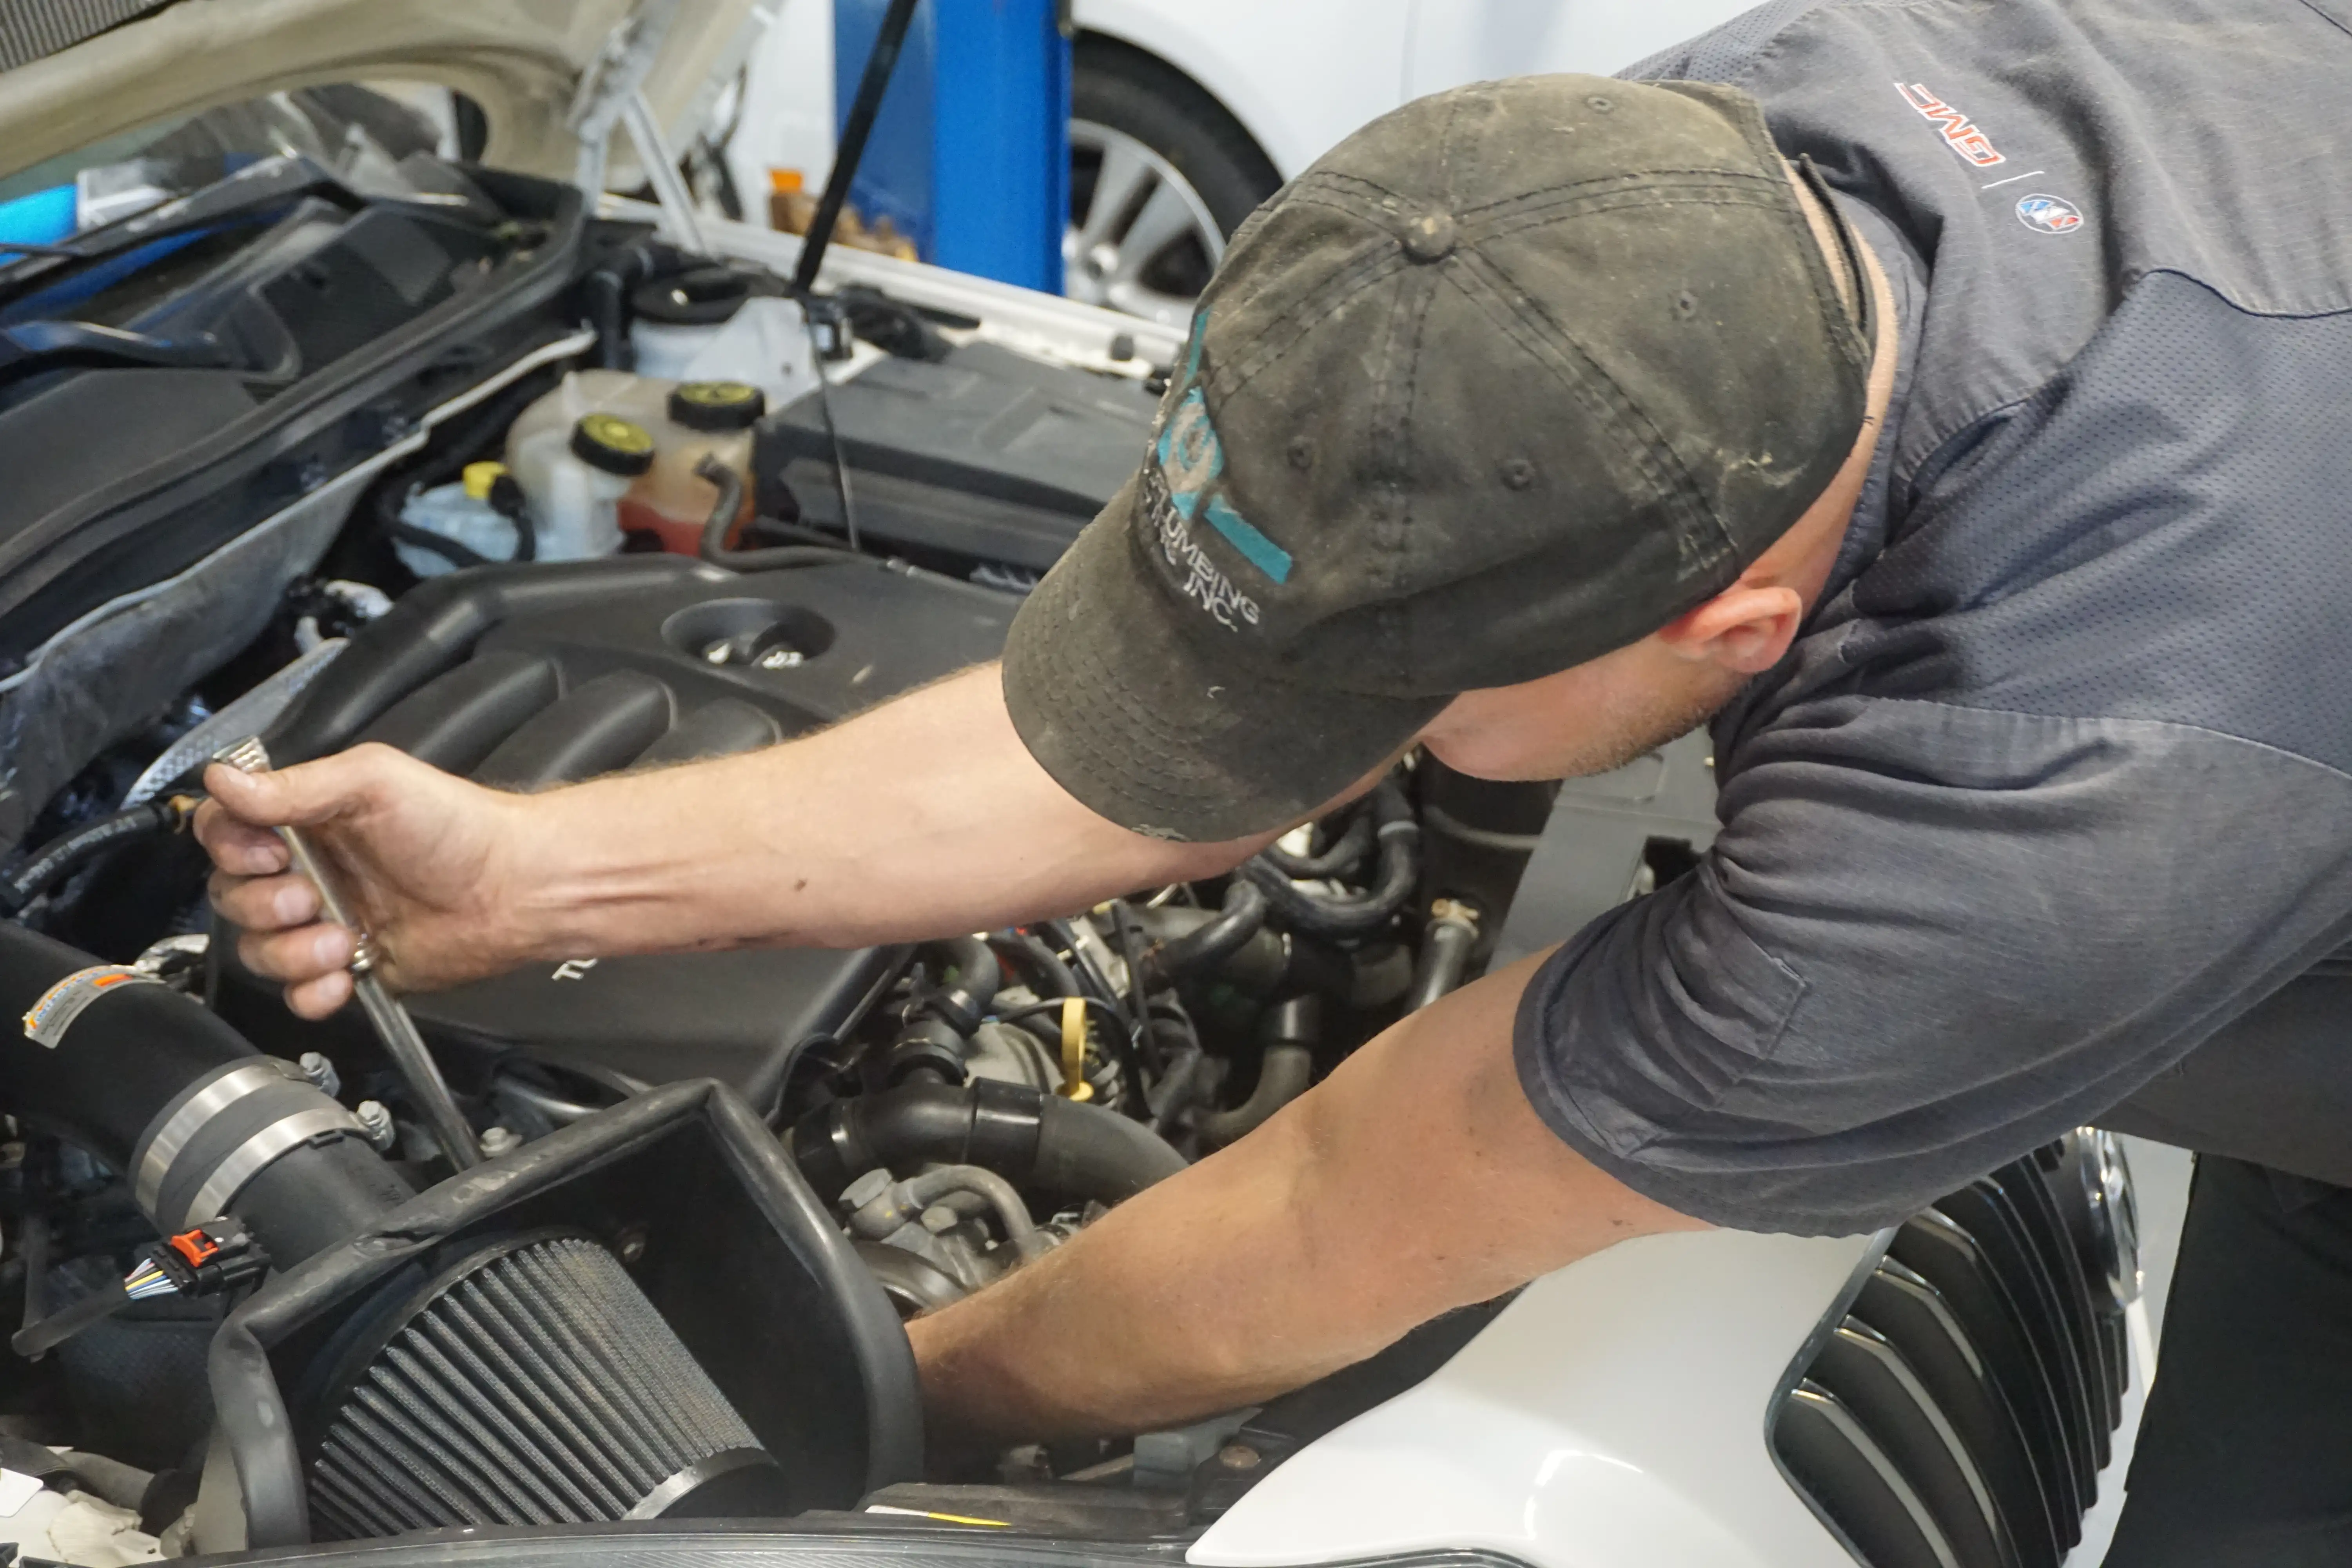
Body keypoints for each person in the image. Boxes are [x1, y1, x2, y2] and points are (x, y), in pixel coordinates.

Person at [201, 0, 2352, 1558]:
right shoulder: (1660, 186)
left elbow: (1349, 1208)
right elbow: (1136, 748)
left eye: (1401, 705)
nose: (1342, 765)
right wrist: (531, 877)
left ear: (1731, 636)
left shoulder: (2052, 777)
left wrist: (860, 1386)